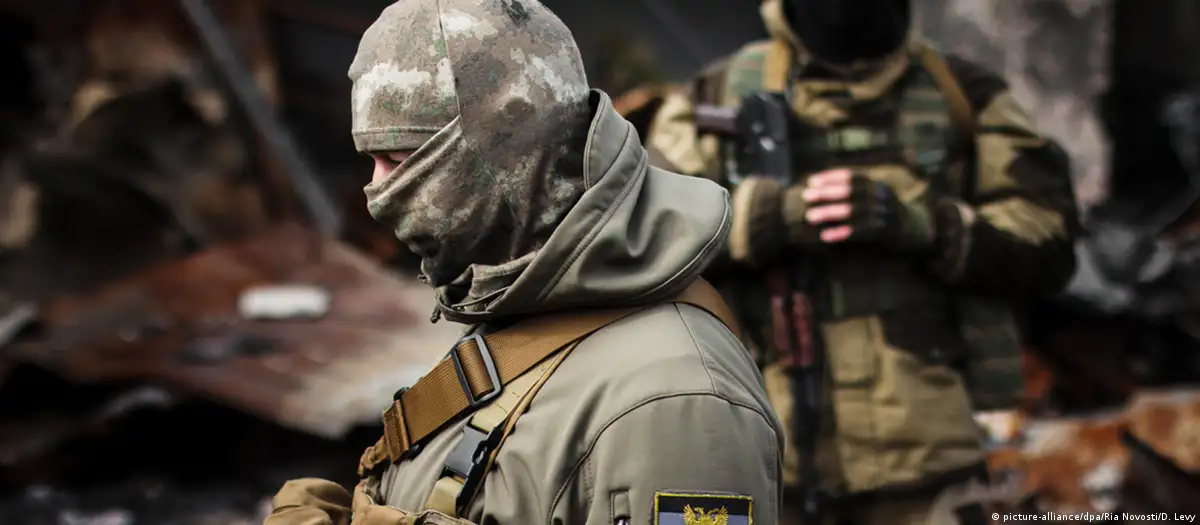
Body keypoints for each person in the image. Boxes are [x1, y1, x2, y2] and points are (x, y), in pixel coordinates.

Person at [262, 1, 784, 525]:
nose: (376, 191)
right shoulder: (524, 304)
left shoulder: (674, 404)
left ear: (510, 154)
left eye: (399, 159)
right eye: (371, 160)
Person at [644, 0, 1080, 524]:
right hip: (758, 459)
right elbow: (647, 243)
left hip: (931, 470)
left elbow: (1049, 241)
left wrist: (925, 224)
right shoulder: (714, 97)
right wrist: (765, 218)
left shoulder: (963, 95)